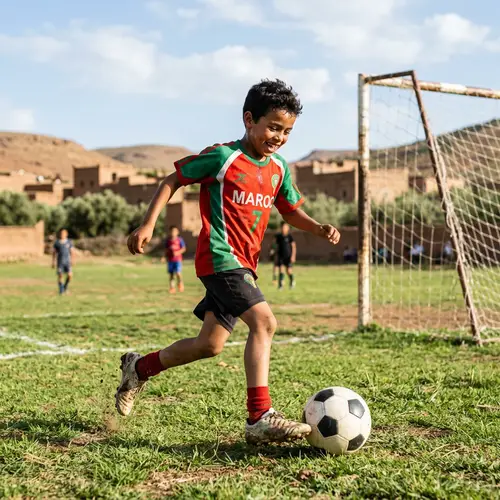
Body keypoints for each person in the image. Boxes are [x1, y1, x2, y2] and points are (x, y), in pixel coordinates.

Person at [116, 79, 341, 445]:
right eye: (272, 127)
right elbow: (172, 179)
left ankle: (139, 368)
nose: (279, 137)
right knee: (265, 323)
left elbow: (291, 211)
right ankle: (259, 417)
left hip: (244, 266)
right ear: (249, 119)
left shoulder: (279, 169)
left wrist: (317, 228)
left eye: (287, 131)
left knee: (210, 345)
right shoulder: (223, 158)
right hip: (220, 258)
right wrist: (148, 224)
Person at [52, 228, 74, 295]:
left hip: (67, 262)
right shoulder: (57, 243)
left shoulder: (69, 242)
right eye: (61, 233)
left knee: (70, 275)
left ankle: (65, 287)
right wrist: (53, 262)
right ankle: (61, 291)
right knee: (60, 276)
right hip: (60, 262)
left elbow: (72, 252)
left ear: (66, 234)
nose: (62, 234)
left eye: (64, 233)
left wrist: (72, 260)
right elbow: (54, 253)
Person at [275, 221, 296, 289]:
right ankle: (280, 285)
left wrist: (293, 256)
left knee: (288, 271)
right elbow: (275, 245)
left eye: (285, 227)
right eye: (283, 227)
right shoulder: (279, 236)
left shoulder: (289, 237)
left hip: (288, 256)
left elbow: (293, 246)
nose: (284, 228)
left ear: (288, 228)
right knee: (281, 269)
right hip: (281, 255)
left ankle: (292, 281)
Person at [165, 226, 186, 293]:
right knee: (171, 274)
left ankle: (180, 284)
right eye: (172, 231)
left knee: (178, 273)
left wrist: (177, 252)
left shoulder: (180, 240)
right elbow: (166, 250)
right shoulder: (168, 241)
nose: (173, 233)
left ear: (177, 232)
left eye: (174, 231)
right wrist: (164, 257)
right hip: (170, 260)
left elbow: (183, 249)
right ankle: (172, 288)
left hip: (178, 260)